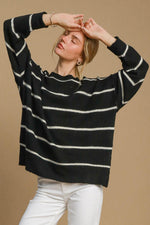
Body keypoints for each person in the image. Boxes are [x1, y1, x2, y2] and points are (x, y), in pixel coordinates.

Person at [3, 11, 149, 225]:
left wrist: (102, 36)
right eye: (64, 34)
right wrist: (53, 19)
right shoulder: (34, 81)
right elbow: (11, 29)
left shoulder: (99, 92)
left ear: (82, 56)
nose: (64, 38)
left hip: (85, 188)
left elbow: (138, 68)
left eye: (74, 39)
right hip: (48, 189)